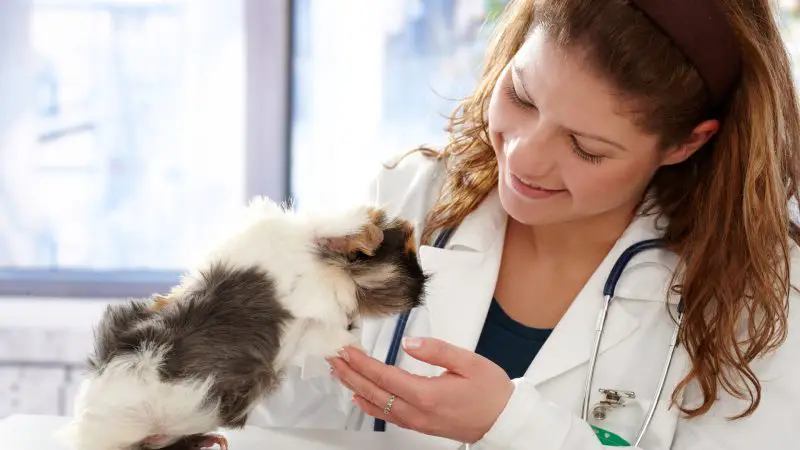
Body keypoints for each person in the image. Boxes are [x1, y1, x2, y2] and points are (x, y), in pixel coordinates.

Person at [247, 0, 800, 448]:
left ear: (687, 143)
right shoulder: (414, 195)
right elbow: (296, 408)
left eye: (586, 148)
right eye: (521, 97)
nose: (525, 159)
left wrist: (511, 428)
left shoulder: (764, 293)